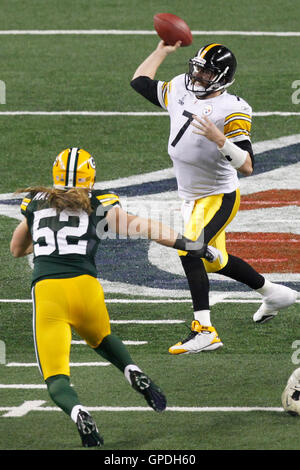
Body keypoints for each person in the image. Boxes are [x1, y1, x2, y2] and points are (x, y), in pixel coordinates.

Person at [10, 147, 220, 447]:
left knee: (55, 377)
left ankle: (78, 411)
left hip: (48, 291)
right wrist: (190, 245)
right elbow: (144, 227)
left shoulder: (34, 203)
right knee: (102, 337)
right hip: (86, 287)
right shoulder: (98, 202)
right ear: (90, 177)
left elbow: (17, 249)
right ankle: (132, 370)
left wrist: (45, 242)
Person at [130, 40, 298, 355]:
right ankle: (274, 293)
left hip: (218, 196)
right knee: (212, 260)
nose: (197, 75)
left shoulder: (233, 108)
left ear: (221, 77)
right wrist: (162, 51)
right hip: (192, 198)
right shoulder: (180, 86)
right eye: (196, 67)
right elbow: (140, 82)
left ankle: (205, 331)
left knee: (190, 250)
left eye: (206, 72)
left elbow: (247, 166)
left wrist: (220, 139)